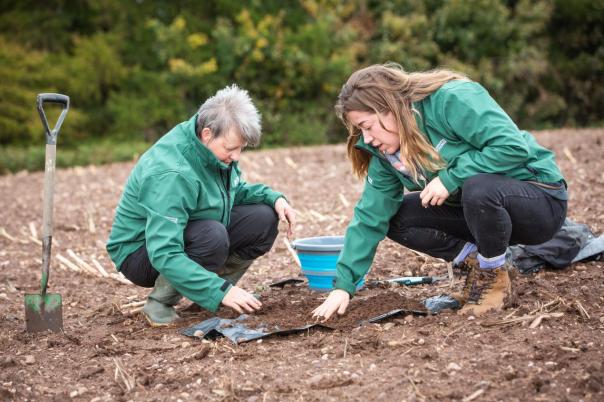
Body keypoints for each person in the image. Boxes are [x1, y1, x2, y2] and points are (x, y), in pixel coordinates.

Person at [312, 63, 567, 319]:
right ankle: (480, 267)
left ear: (388, 108)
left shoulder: (452, 99)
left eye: (367, 126)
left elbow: (511, 146)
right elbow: (370, 216)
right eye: (360, 130)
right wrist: (344, 286)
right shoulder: (386, 154)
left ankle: (493, 279)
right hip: (480, 215)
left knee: (478, 187)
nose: (366, 138)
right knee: (396, 218)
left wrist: (449, 178)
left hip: (539, 200)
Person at [106, 85, 296, 326]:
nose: (236, 156)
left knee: (263, 218)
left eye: (241, 148)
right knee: (211, 235)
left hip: (186, 230)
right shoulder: (172, 173)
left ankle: (206, 296)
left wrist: (274, 198)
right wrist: (222, 290)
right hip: (141, 251)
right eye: (231, 148)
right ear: (207, 134)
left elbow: (232, 192)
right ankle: (160, 303)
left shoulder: (210, 152)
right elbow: (164, 251)